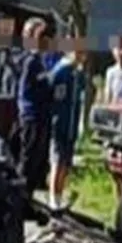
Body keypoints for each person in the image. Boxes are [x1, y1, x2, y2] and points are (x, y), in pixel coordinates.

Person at [47, 37, 89, 210]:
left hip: (72, 123)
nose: (80, 56)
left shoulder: (78, 74)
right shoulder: (60, 71)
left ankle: (59, 193)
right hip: (59, 122)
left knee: (66, 161)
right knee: (57, 159)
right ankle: (52, 197)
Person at [15, 17, 53, 195]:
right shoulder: (30, 60)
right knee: (28, 157)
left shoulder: (41, 60)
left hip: (42, 113)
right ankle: (20, 198)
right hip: (31, 114)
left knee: (38, 158)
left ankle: (30, 196)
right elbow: (25, 90)